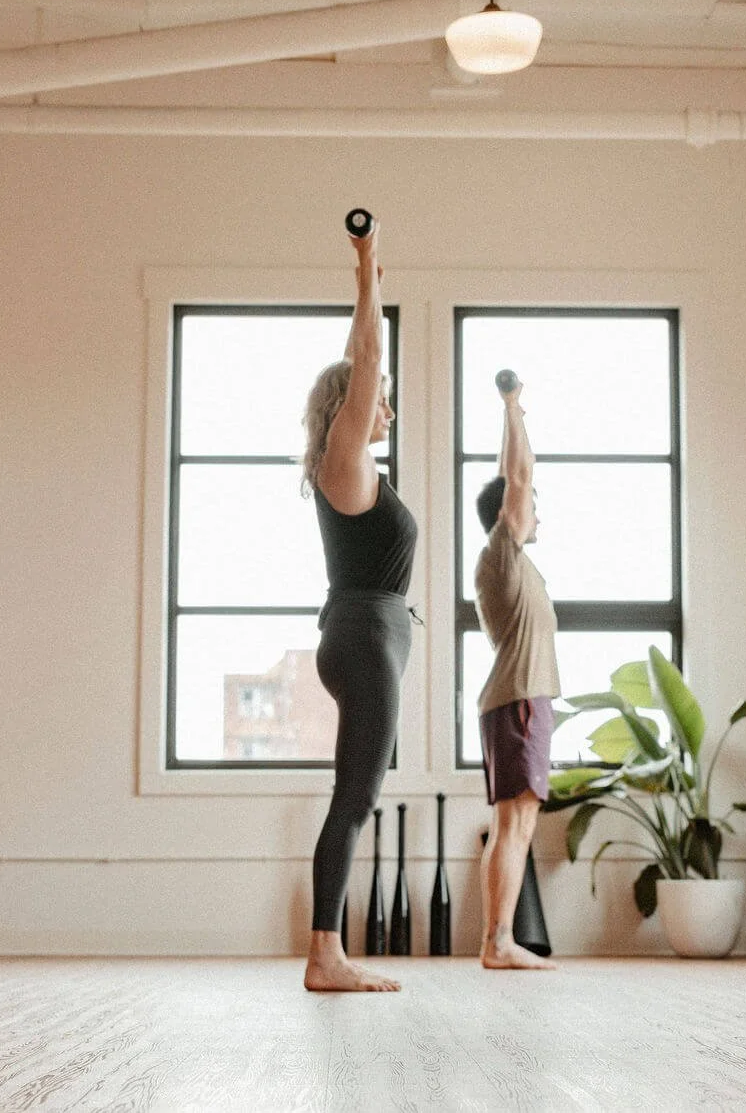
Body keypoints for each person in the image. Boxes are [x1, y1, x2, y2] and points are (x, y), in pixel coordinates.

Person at [300, 220, 414, 993]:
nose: (388, 412)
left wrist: (364, 286)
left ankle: (327, 952)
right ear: (352, 408)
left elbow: (358, 360)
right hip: (365, 639)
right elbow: (366, 361)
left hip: (369, 636)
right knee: (355, 797)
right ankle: (325, 955)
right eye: (382, 403)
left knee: (357, 794)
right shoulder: (346, 458)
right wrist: (369, 263)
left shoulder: (349, 461)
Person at [472, 374, 558, 971]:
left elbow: (516, 484)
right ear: (507, 514)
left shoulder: (513, 563)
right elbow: (518, 477)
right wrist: (512, 409)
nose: (536, 513)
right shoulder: (501, 554)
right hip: (519, 702)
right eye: (528, 508)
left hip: (523, 700)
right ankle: (499, 942)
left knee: (516, 824)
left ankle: (497, 940)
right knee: (515, 822)